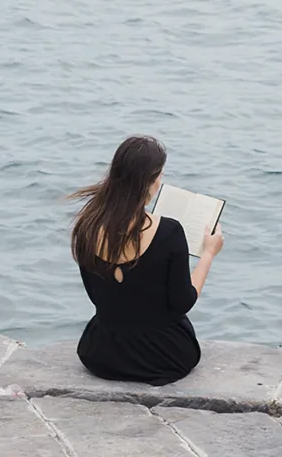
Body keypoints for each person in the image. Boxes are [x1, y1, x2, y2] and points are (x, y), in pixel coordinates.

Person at [69, 134, 225, 385]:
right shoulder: (169, 232)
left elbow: (97, 295)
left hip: (100, 354)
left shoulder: (87, 225)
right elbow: (182, 301)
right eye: (160, 175)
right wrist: (208, 254)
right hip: (164, 358)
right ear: (150, 182)